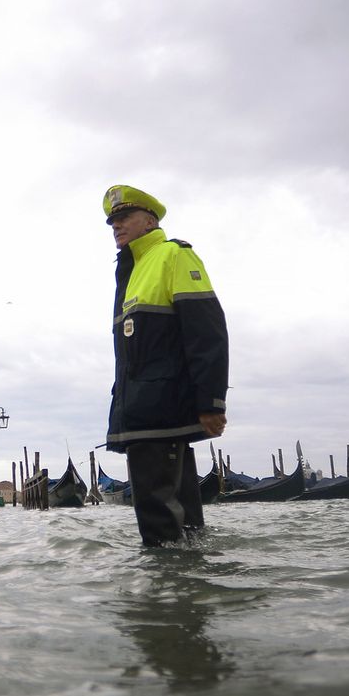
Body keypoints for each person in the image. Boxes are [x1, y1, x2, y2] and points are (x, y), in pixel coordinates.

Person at [102, 184, 229, 545]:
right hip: (142, 409)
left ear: (150, 221)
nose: (116, 226)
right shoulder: (131, 269)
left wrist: (210, 402)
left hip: (161, 411)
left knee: (160, 529)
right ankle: (188, 591)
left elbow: (207, 332)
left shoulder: (173, 255)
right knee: (183, 528)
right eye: (112, 221)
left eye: (124, 217)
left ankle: (164, 598)